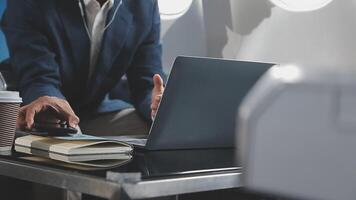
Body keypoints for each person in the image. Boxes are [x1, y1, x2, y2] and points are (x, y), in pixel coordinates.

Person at [1, 0, 166, 136]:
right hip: (35, 108)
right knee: (67, 143)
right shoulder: (28, 3)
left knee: (156, 133)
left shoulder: (145, 5)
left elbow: (147, 84)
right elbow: (39, 77)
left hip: (95, 110)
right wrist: (55, 109)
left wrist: (159, 106)